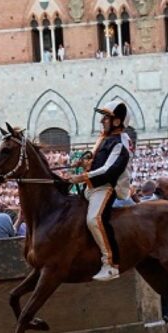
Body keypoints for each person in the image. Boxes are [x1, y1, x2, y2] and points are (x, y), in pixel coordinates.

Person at [68, 100, 131, 281]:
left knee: (94, 219)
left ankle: (111, 265)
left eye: (106, 117)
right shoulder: (105, 138)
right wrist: (84, 161)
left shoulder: (120, 143)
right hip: (92, 187)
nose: (102, 120)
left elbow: (108, 170)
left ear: (117, 122)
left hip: (106, 187)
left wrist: (81, 177)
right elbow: (96, 158)